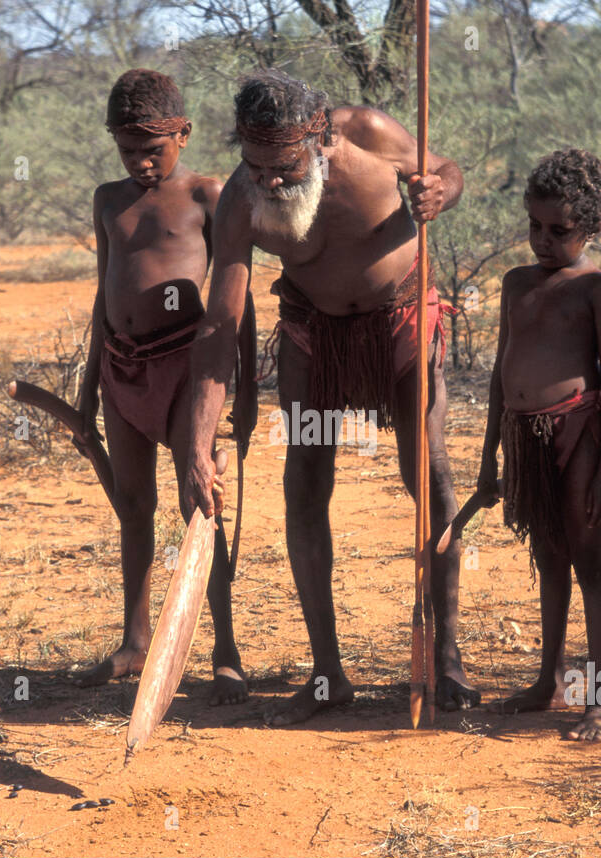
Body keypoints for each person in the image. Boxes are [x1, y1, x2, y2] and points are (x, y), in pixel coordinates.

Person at [182, 69, 480, 725]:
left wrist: (440, 192)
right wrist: (199, 443)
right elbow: (219, 327)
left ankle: (447, 658)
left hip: (399, 320)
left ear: (319, 137)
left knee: (426, 474)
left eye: (284, 167)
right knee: (305, 480)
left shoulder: (370, 134)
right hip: (314, 333)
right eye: (255, 167)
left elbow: (446, 169)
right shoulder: (240, 203)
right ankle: (327, 673)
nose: (272, 183)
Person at [74, 68, 254, 705]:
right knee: (133, 510)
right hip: (122, 367)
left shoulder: (210, 194)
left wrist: (246, 391)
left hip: (185, 369)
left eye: (154, 148)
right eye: (128, 150)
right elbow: (104, 293)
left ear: (184, 132)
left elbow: (238, 301)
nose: (141, 162)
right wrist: (88, 388)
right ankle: (134, 641)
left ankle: (226, 651)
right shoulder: (106, 200)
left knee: (200, 503)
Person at [477, 149, 601, 741]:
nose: (543, 239)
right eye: (534, 226)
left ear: (593, 227)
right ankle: (549, 679)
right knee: (547, 555)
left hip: (579, 432)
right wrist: (489, 453)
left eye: (559, 230)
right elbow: (499, 370)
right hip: (523, 437)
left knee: (588, 555)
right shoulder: (516, 284)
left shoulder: (597, 290)